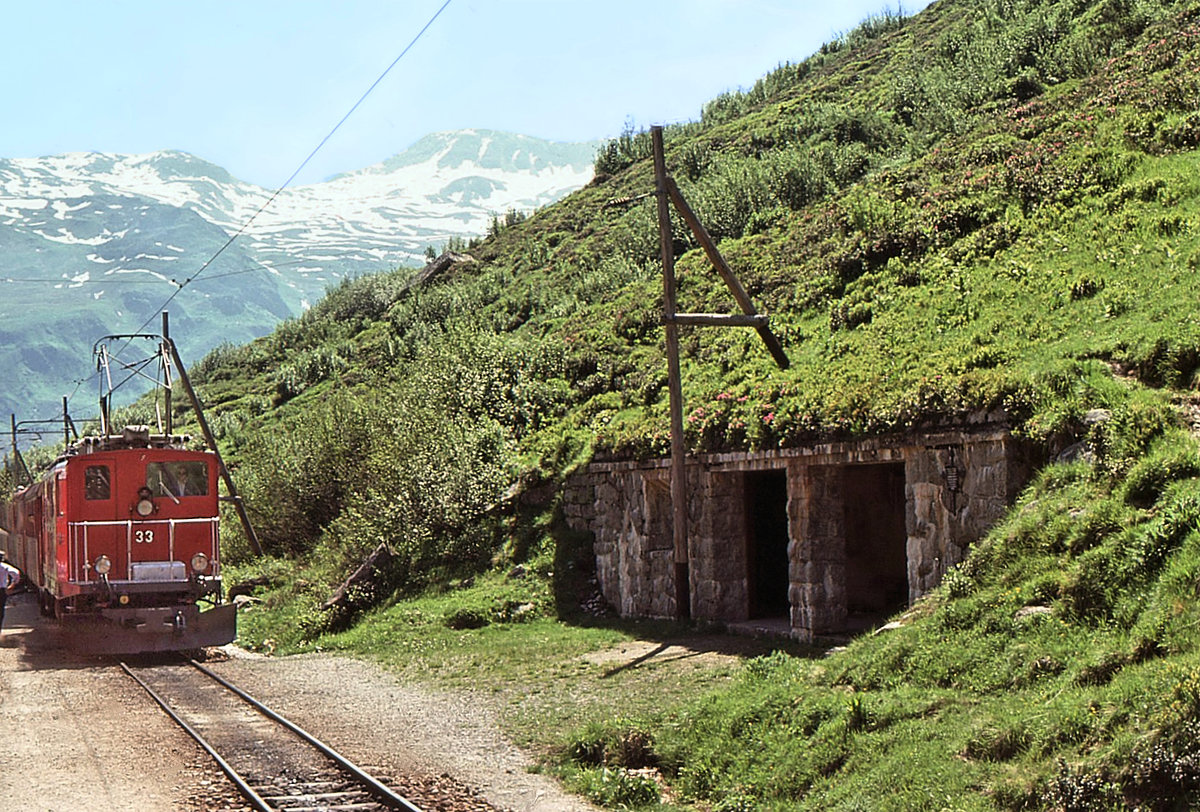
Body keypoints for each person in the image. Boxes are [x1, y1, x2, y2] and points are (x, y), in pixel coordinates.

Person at [0, 551, 20, 632]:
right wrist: (13, 584)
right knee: (0, 611)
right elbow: (16, 573)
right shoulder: (4, 566)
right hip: (1, 591)